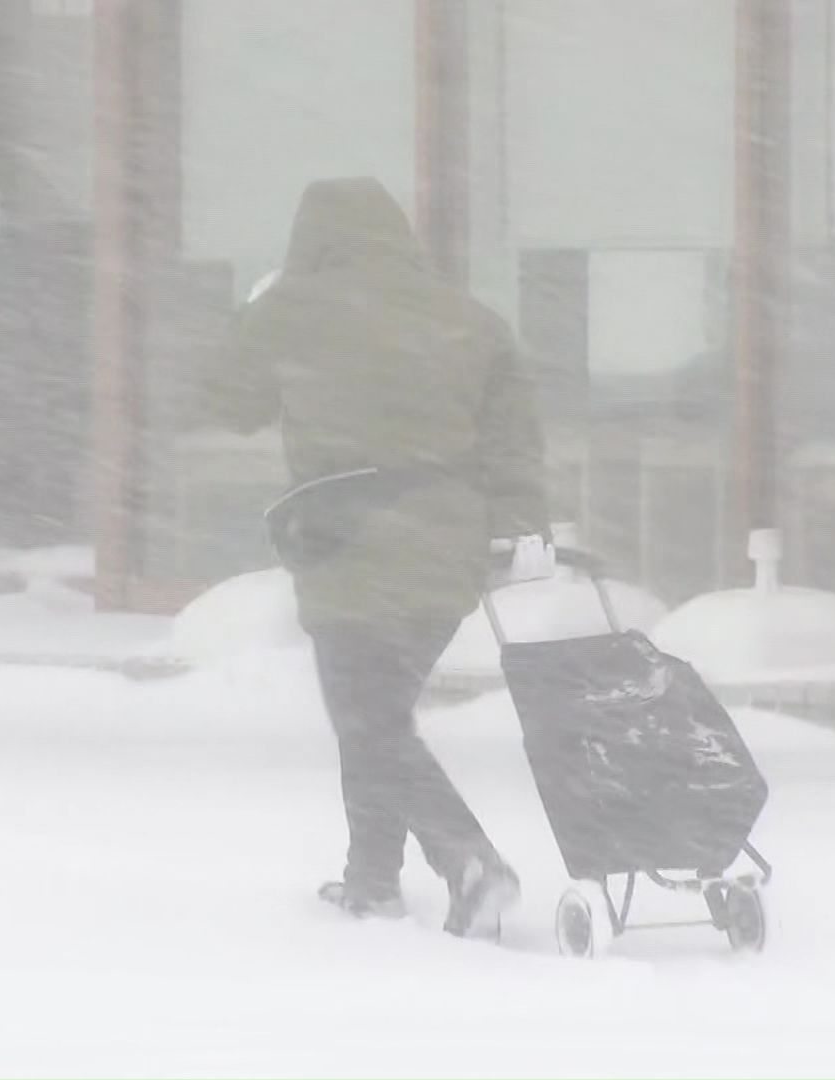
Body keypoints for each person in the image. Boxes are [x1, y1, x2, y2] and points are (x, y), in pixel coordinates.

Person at [205, 177, 552, 939]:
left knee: (369, 721)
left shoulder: (292, 309)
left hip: (350, 541)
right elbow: (514, 444)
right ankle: (372, 881)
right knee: (378, 715)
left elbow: (227, 402)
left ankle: (469, 861)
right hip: (447, 548)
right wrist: (518, 530)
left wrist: (257, 311)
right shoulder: (469, 319)